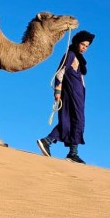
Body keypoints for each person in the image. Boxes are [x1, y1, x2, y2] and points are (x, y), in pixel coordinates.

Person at [37, 30, 94, 163]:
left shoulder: (79, 58)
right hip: (71, 94)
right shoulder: (71, 55)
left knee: (70, 121)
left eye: (87, 46)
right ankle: (61, 147)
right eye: (83, 44)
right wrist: (57, 91)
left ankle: (68, 151)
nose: (84, 48)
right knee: (77, 121)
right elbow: (60, 73)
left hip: (78, 96)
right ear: (77, 42)